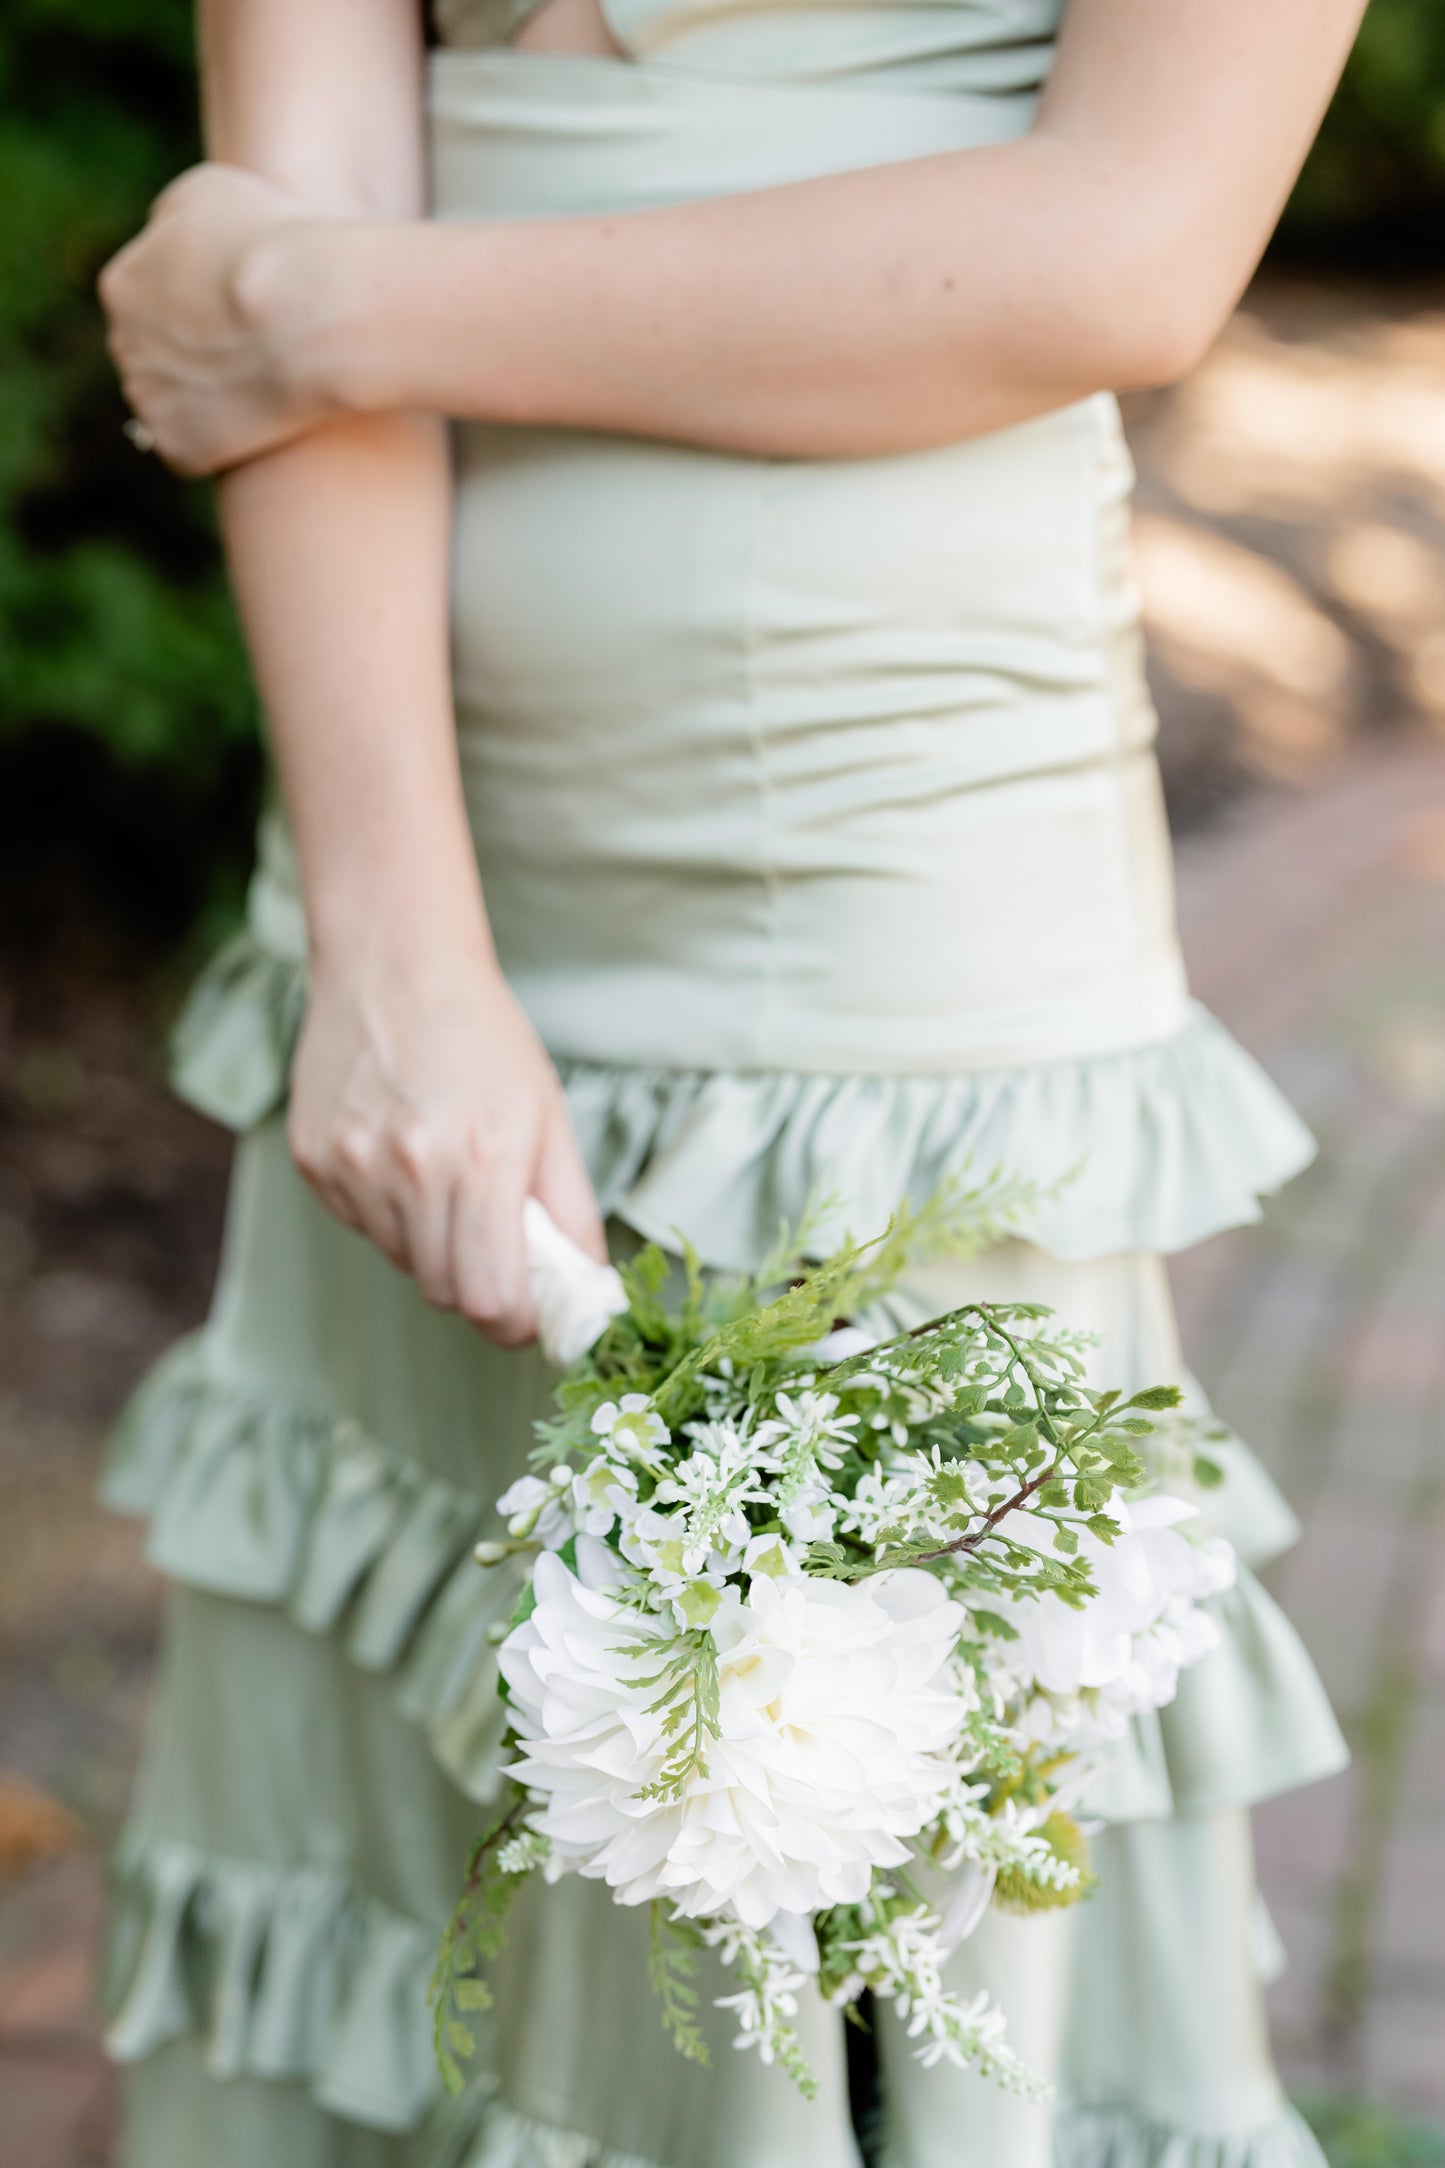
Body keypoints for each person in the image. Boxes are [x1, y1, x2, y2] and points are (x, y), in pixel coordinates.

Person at [97, 1, 1362, 2162]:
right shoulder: (397, 941)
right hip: (417, 853)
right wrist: (397, 951)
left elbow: (1125, 246)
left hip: (895, 920)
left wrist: (330, 306)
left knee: (854, 1899)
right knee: (432, 1867)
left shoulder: (333, 313)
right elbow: (286, 163)